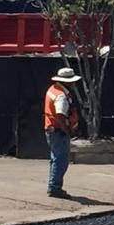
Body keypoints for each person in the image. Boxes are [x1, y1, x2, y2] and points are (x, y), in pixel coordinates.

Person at [44, 66, 81, 198]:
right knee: (61, 160)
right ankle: (55, 187)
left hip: (51, 128)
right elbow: (60, 114)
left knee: (55, 159)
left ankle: (53, 185)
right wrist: (66, 130)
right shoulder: (61, 96)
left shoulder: (53, 89)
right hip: (58, 130)